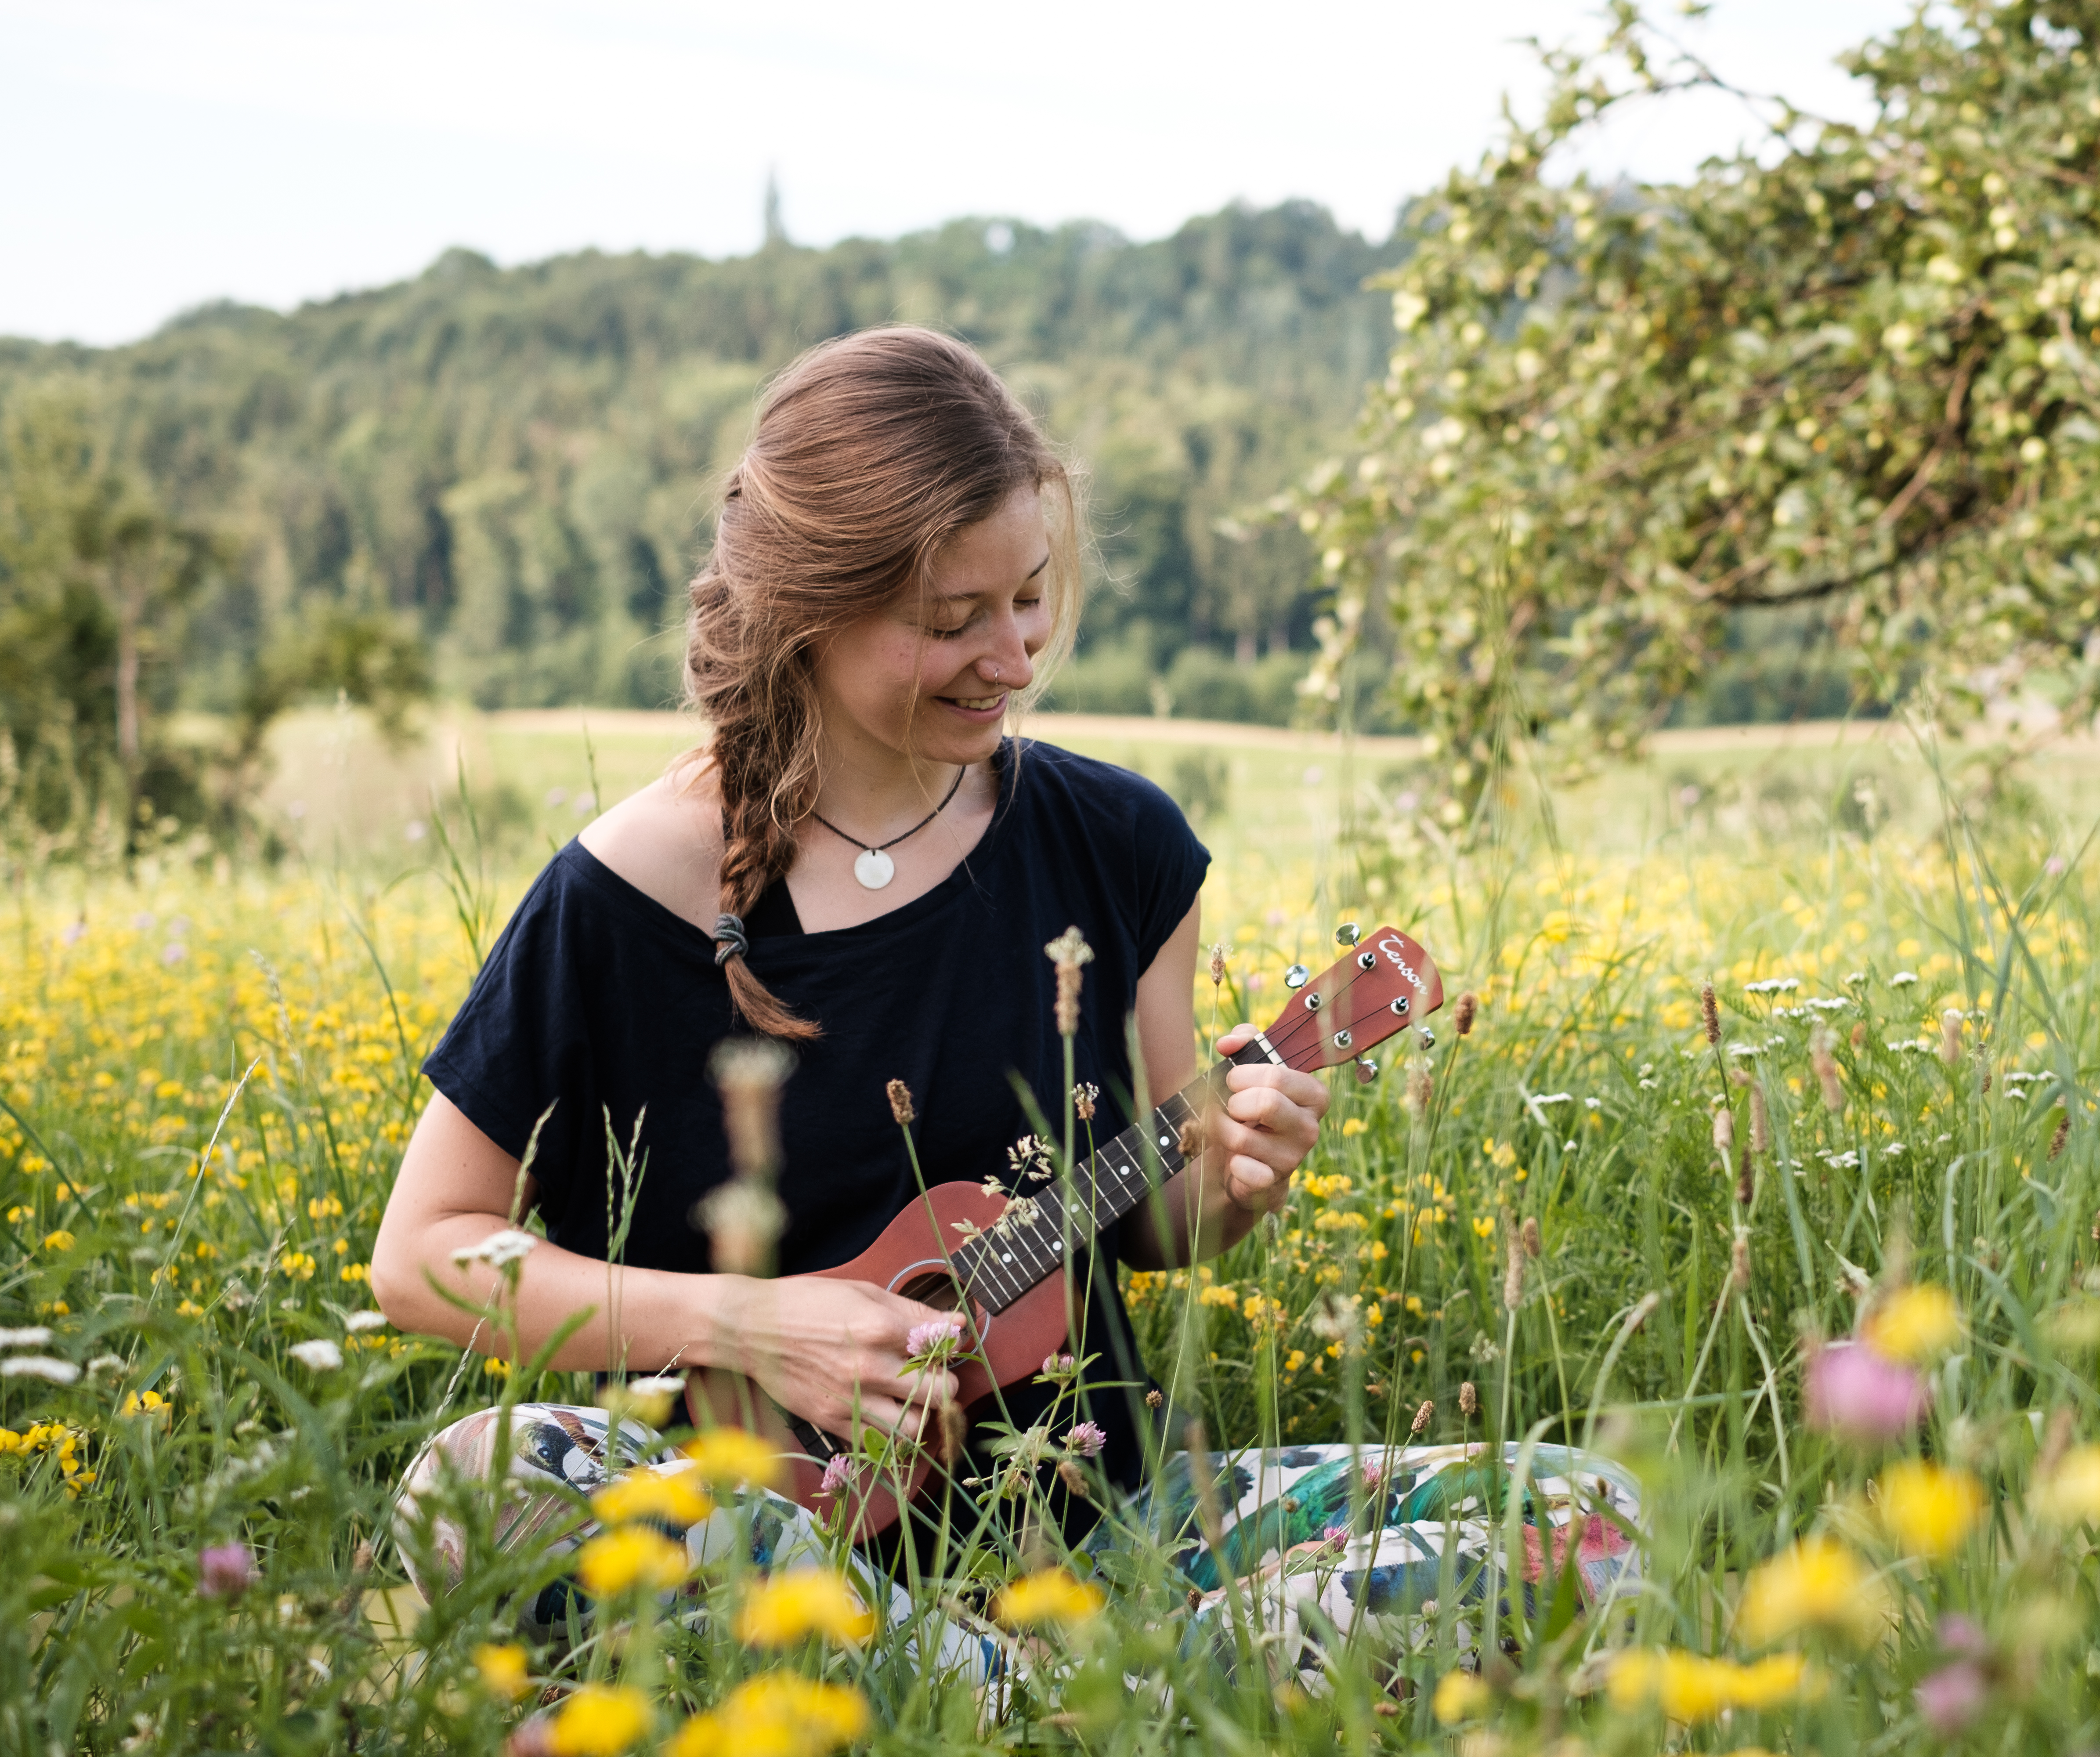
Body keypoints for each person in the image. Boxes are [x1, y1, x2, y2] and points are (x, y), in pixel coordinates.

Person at [370, 326, 1640, 1685]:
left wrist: (1239, 1173)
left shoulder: (1118, 843)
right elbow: (424, 1253)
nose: (1015, 655)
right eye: (951, 619)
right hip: (766, 1545)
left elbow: (1160, 1223)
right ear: (811, 609)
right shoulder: (621, 895)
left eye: (1028, 597)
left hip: (1116, 1531)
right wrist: (744, 1323)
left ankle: (1013, 1695)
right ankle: (1113, 1698)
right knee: (478, 1478)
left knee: (1583, 1509)